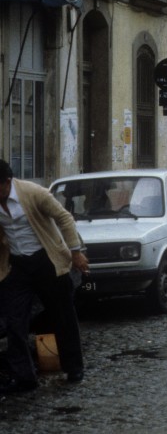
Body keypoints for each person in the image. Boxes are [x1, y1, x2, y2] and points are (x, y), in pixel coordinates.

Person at [0, 159, 89, 392]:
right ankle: (24, 377)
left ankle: (74, 367)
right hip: (17, 265)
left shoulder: (33, 193)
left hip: (47, 260)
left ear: (7, 182)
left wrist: (75, 252)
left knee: (63, 316)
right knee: (14, 320)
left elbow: (64, 218)